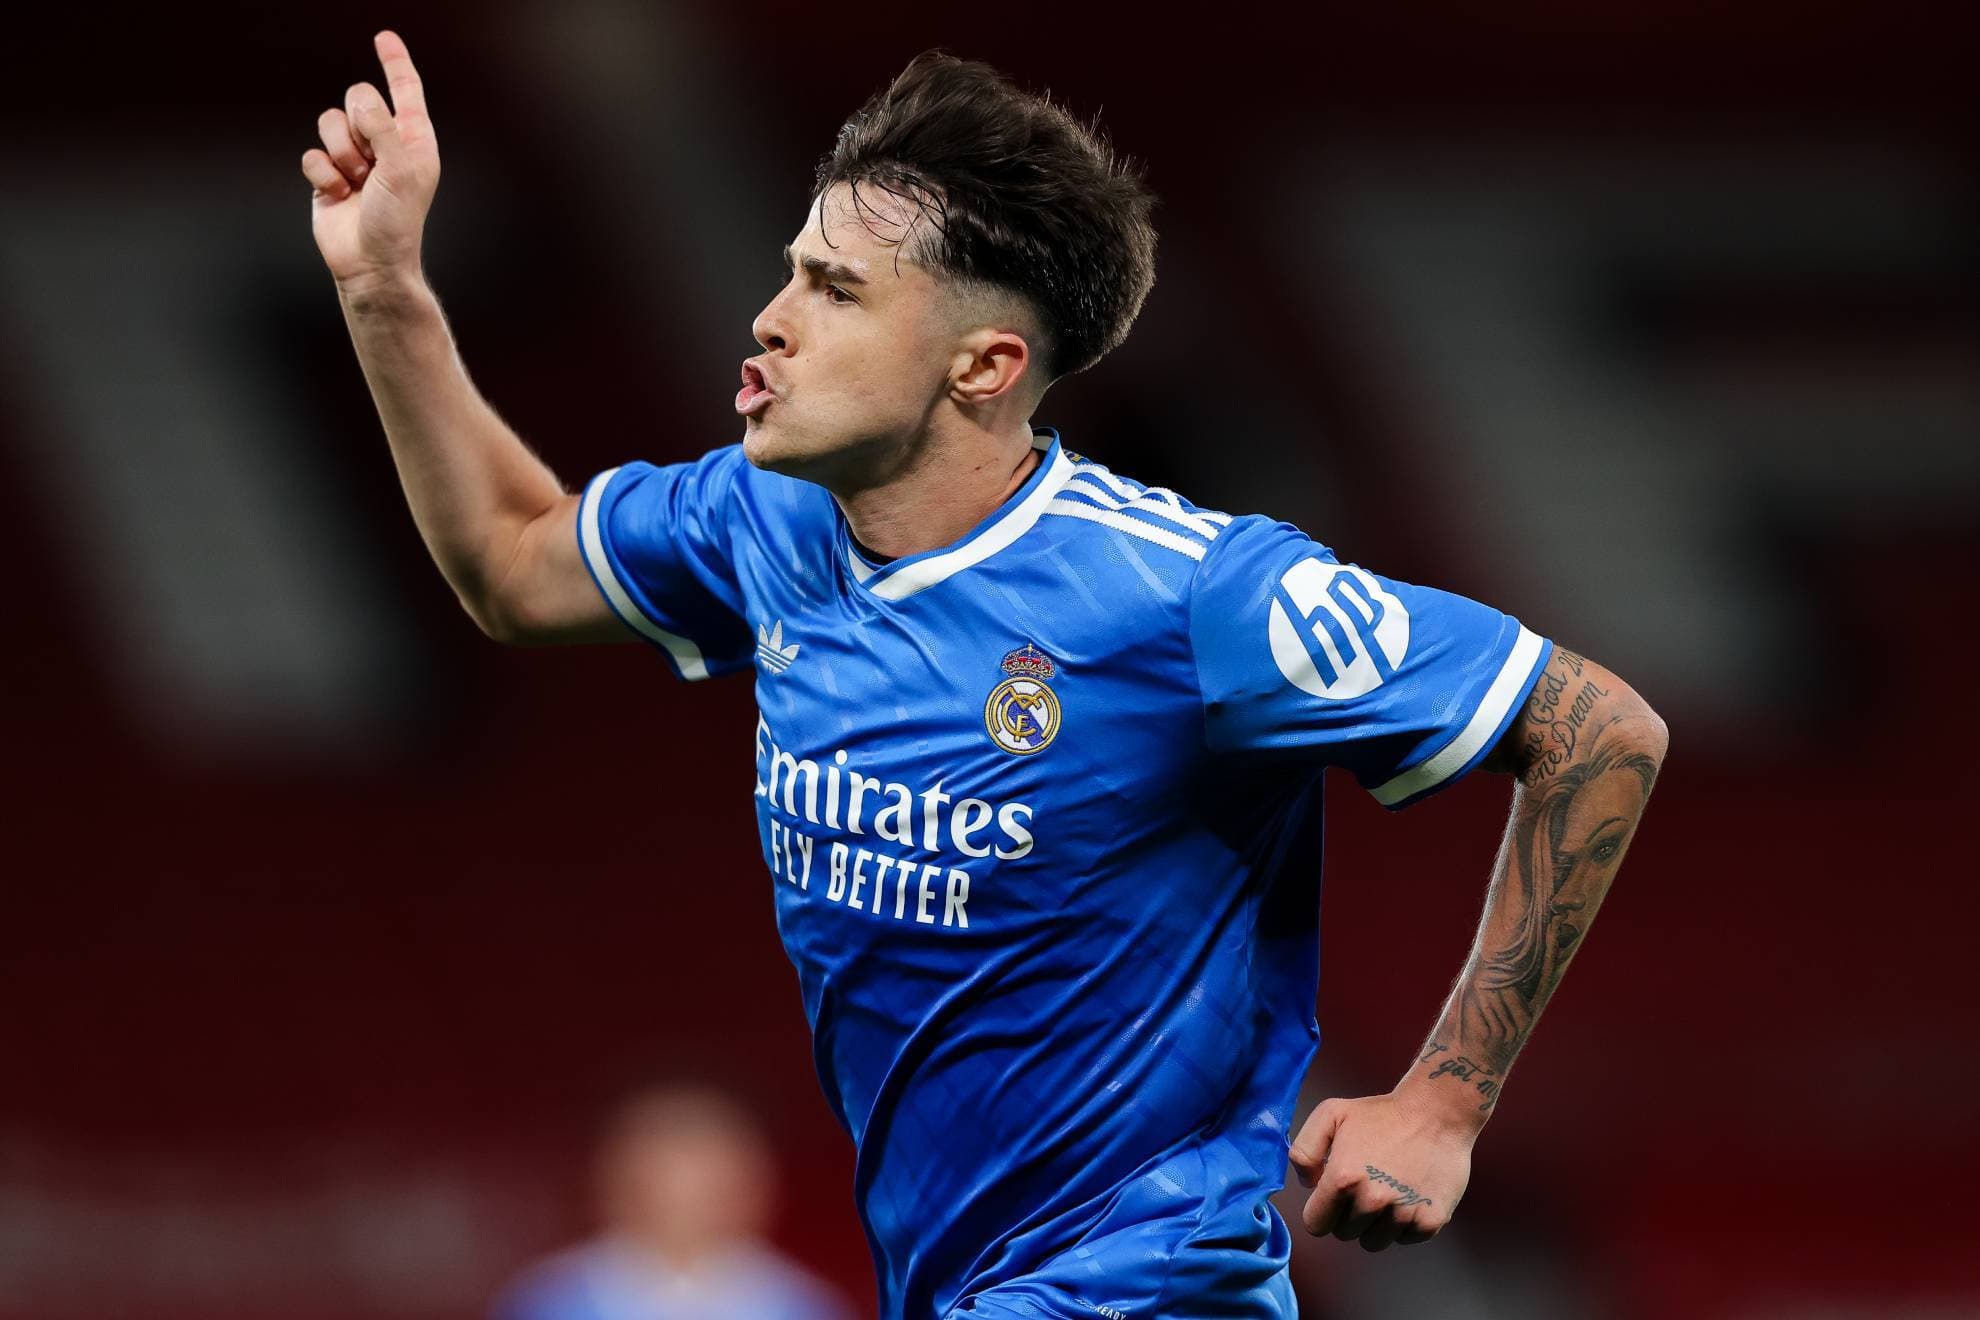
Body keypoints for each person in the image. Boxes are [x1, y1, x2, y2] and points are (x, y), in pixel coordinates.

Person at [301, 31, 1669, 1319]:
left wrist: (1444, 1101)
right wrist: (383, 290)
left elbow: (1597, 727)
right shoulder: (767, 524)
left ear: (985, 365)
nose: (770, 319)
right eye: (791, 272)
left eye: (836, 290)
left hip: (1142, 1283)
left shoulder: (1192, 594)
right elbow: (514, 564)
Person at [491, 1085, 852, 1320]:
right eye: (666, 1178)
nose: (686, 1204)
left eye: (709, 1183)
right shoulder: (549, 1301)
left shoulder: (800, 1305)